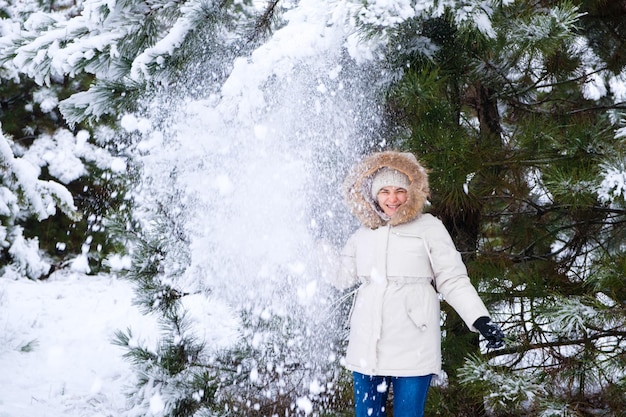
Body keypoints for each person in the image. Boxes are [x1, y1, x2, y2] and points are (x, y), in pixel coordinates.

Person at [332, 150, 504, 417]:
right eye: (385, 191)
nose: (392, 199)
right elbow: (340, 277)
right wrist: (315, 248)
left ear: (411, 191)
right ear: (374, 194)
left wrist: (480, 318)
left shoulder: (429, 228)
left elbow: (453, 279)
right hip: (366, 347)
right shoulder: (363, 235)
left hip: (413, 345)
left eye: (399, 190)